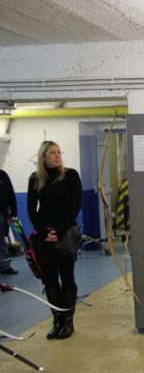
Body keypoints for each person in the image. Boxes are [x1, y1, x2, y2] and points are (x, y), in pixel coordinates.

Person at [27, 141, 82, 340]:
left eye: (59, 152)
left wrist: (60, 230)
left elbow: (76, 205)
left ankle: (68, 321)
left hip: (65, 233)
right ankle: (57, 321)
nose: (57, 156)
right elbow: (31, 209)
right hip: (44, 235)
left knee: (67, 278)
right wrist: (43, 232)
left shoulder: (70, 175)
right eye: (52, 153)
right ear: (43, 157)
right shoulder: (35, 179)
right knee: (50, 280)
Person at [0, 170, 18, 275]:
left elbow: (10, 192)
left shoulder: (2, 175)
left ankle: (5, 266)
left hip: (1, 214)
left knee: (1, 241)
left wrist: (13, 212)